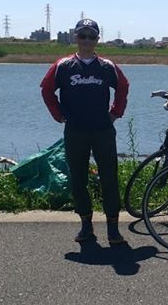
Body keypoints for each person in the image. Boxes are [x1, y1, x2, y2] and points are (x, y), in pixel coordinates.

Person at [40, 18, 130, 245]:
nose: (87, 41)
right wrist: (58, 114)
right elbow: (46, 90)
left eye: (92, 36)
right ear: (75, 38)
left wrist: (116, 112)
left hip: (102, 130)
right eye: (83, 36)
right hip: (75, 131)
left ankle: (113, 228)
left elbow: (123, 87)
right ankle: (86, 226)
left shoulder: (107, 67)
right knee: (78, 180)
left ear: (97, 39)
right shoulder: (63, 65)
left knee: (109, 178)